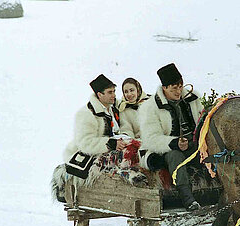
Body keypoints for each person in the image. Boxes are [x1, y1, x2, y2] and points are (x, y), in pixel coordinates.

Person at [139, 63, 204, 211]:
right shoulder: (150, 108)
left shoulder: (193, 99)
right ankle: (187, 198)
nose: (178, 91)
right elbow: (151, 139)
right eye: (173, 88)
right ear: (164, 88)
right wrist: (174, 143)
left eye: (180, 86)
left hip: (192, 144)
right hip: (163, 150)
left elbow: (202, 119)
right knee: (175, 156)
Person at [63, 74, 126, 167]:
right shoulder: (86, 114)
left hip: (115, 150)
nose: (114, 95)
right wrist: (110, 144)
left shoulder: (114, 106)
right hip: (93, 156)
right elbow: (85, 143)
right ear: (99, 95)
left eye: (114, 91)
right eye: (110, 92)